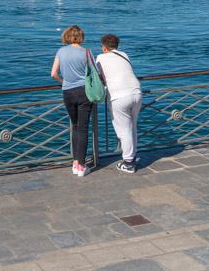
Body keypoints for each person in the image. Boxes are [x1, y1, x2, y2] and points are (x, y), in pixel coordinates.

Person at [50, 24, 93, 177]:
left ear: (66, 36)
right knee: (83, 128)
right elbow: (94, 73)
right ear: (81, 36)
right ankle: (81, 165)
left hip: (68, 92)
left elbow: (53, 74)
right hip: (84, 92)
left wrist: (65, 82)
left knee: (75, 126)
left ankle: (75, 162)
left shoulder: (61, 51)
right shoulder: (86, 52)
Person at [96, 34, 142, 173]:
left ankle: (128, 163)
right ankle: (132, 156)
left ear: (104, 47)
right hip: (137, 93)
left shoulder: (100, 57)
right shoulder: (124, 55)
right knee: (132, 127)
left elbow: (99, 77)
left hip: (120, 96)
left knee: (124, 131)